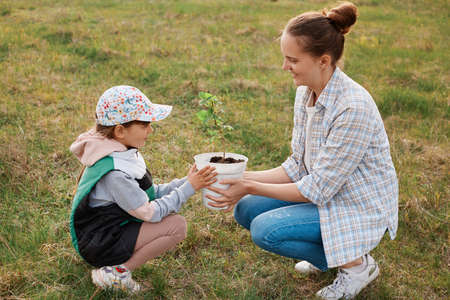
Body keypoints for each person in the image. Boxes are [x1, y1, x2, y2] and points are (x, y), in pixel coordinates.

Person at [206, 2, 398, 299]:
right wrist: (235, 176)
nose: (285, 67)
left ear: (323, 61)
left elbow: (317, 189)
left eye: (292, 59)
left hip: (355, 204)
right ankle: (334, 255)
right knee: (246, 209)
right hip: (323, 190)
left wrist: (247, 184)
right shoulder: (305, 93)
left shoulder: (352, 108)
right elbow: (298, 165)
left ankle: (357, 266)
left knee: (265, 229)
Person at [69, 85, 216, 293]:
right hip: (100, 243)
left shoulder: (119, 150)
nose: (151, 130)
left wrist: (188, 180)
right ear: (120, 131)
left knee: (175, 223)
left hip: (110, 230)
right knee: (177, 226)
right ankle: (115, 273)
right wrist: (189, 188)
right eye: (145, 125)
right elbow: (150, 212)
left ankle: (116, 269)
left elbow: (149, 193)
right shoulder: (115, 174)